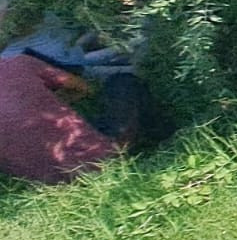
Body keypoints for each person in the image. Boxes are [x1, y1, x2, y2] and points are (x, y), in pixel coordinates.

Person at [0, 54, 155, 184]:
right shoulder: (18, 62)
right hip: (100, 157)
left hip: (46, 183)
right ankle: (161, 138)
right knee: (122, 82)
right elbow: (84, 88)